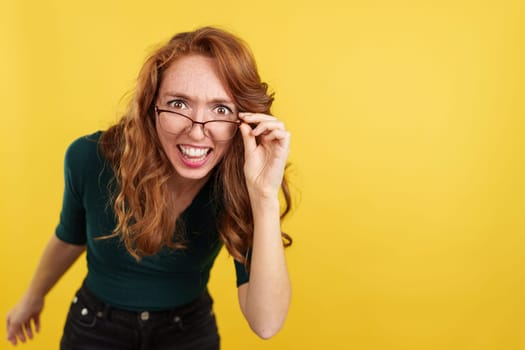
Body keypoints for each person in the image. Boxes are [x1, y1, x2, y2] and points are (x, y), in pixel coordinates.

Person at [6, 26, 293, 349]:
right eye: (179, 104)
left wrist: (264, 196)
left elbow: (267, 323)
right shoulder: (89, 157)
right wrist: (32, 297)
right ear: (150, 106)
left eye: (221, 109)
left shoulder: (238, 182)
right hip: (96, 326)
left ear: (243, 122)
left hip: (186, 330)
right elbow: (70, 237)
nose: (197, 132)